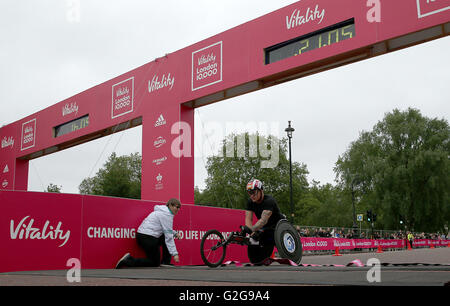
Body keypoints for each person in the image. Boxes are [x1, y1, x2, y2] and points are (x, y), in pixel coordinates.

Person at [115, 198, 181, 268]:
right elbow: (169, 237)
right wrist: (175, 254)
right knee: (154, 263)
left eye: (179, 208)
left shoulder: (163, 212)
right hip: (147, 237)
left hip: (144, 236)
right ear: (170, 205)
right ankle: (128, 260)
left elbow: (166, 229)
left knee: (165, 236)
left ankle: (165, 262)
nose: (177, 209)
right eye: (176, 207)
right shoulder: (166, 215)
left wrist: (174, 233)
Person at [243, 179, 284, 264]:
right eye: (249, 193)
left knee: (260, 231)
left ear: (261, 191)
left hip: (278, 227)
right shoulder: (250, 202)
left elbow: (263, 220)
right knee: (254, 240)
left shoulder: (269, 201)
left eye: (253, 192)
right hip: (266, 228)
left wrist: (252, 229)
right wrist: (251, 232)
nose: (251, 196)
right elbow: (248, 218)